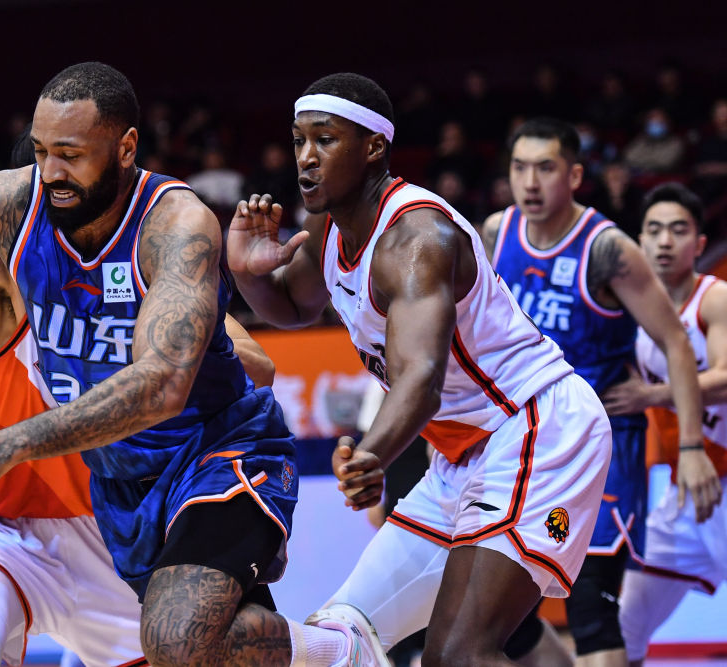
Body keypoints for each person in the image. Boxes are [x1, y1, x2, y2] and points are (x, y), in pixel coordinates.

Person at [0, 58, 385, 667]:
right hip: (83, 498)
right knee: (155, 648)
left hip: (201, 462)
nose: (50, 173)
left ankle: (338, 651)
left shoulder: (173, 229)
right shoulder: (11, 229)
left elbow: (186, 381)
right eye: (42, 153)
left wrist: (11, 441)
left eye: (69, 155)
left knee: (181, 642)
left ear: (124, 148)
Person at [228, 72, 612, 665]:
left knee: (458, 654)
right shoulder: (331, 231)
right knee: (339, 637)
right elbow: (293, 307)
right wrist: (248, 272)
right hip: (461, 456)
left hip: (534, 428)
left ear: (373, 147)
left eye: (325, 140)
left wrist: (370, 454)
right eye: (299, 140)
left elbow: (421, 381)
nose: (306, 157)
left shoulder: (416, 237)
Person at [483, 118, 718, 666]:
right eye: (520, 168)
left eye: (546, 168)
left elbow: (676, 342)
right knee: (498, 615)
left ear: (574, 175)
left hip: (599, 448)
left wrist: (689, 446)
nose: (531, 182)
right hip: (523, 445)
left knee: (590, 607)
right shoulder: (495, 233)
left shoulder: (608, 248)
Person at [602, 183, 724, 666]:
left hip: (718, 474)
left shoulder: (714, 299)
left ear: (699, 243)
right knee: (625, 629)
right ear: (639, 241)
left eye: (678, 230)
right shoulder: (630, 311)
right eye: (654, 230)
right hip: (688, 494)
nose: (665, 241)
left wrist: (652, 395)